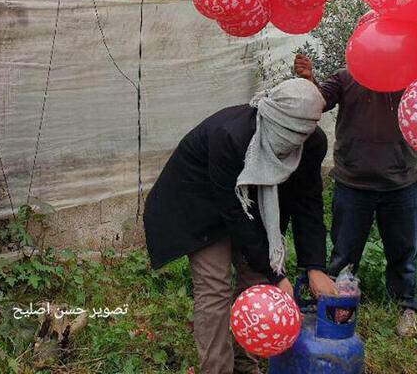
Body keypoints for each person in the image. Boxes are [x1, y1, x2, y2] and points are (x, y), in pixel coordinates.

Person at [143, 78, 338, 374]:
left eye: (304, 133)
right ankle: (218, 369)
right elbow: (233, 212)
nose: (296, 141)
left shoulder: (312, 143)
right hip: (201, 204)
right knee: (215, 286)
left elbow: (307, 204)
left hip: (253, 204)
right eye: (291, 133)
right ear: (274, 117)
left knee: (256, 282)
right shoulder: (231, 136)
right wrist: (277, 274)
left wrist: (315, 267)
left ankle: (246, 364)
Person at [294, 54, 417, 338]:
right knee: (344, 254)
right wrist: (308, 82)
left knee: (403, 254)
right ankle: (338, 306)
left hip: (401, 182)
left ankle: (406, 307)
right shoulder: (345, 77)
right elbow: (320, 101)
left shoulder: (408, 78)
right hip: (353, 184)